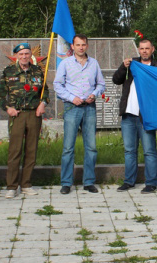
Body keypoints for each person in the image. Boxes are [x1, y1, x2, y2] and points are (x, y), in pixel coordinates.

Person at [0, 43, 49, 198]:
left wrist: (43, 104)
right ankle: (12, 186)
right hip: (16, 115)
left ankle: (26, 184)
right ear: (17, 56)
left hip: (34, 114)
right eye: (21, 54)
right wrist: (8, 108)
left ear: (30, 55)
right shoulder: (9, 71)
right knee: (15, 151)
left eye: (27, 54)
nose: (24, 57)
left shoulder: (37, 71)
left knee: (31, 150)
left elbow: (45, 91)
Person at [53, 34, 105, 194]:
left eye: (83, 45)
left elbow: (101, 84)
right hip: (72, 107)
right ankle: (66, 182)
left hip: (89, 108)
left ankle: (89, 182)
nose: (81, 47)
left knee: (91, 147)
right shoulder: (66, 64)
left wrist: (94, 94)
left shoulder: (94, 63)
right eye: (78, 45)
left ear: (87, 46)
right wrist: (71, 98)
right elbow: (57, 84)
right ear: (72, 47)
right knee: (68, 147)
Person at [112, 38, 157, 194]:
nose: (144, 51)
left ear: (152, 49)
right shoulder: (131, 64)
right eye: (142, 48)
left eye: (147, 48)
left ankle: (151, 183)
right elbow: (115, 80)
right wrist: (122, 66)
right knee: (129, 151)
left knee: (149, 150)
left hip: (146, 116)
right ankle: (129, 181)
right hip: (128, 114)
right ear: (138, 50)